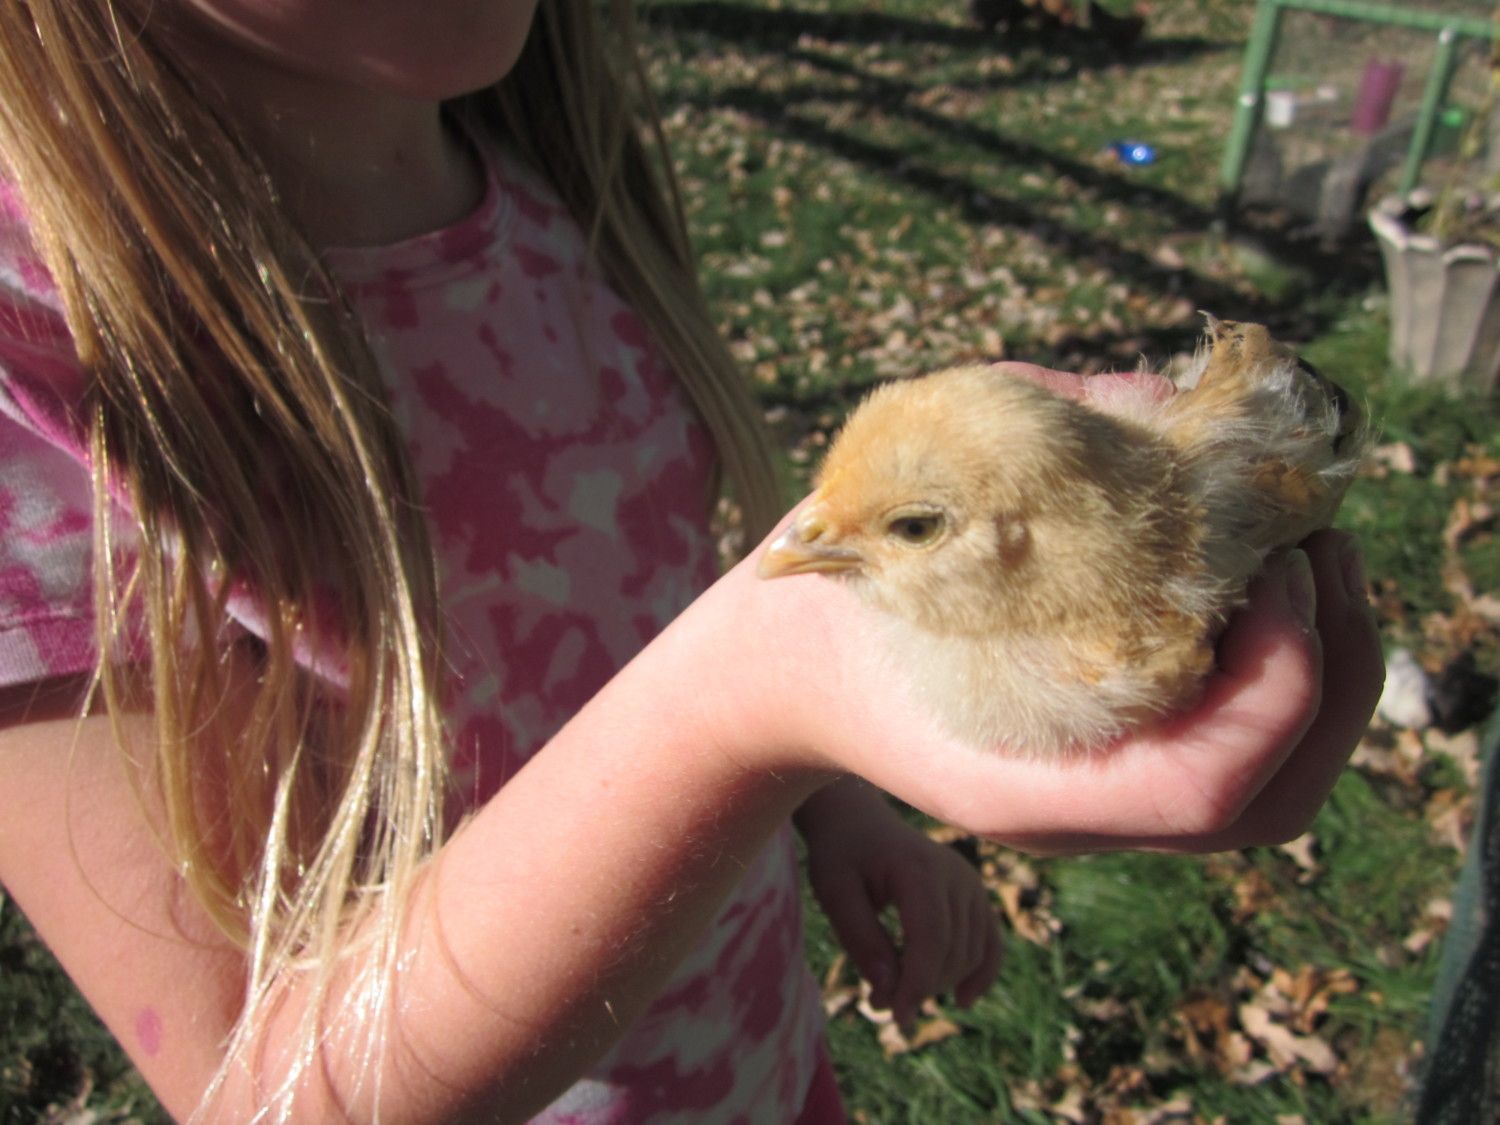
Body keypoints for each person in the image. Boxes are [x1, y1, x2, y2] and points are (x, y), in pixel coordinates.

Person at [0, 0, 1384, 1121]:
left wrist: (828, 797)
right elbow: (266, 1094)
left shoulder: (549, 176)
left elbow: (660, 593)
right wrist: (754, 713)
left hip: (758, 1055)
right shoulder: (39, 378)